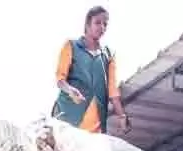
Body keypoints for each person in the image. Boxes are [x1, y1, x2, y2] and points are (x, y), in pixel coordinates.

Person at [53, 6, 128, 134]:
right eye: (97, 22)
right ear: (87, 24)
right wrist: (70, 90)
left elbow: (112, 91)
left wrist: (122, 116)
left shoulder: (108, 55)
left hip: (95, 125)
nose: (102, 27)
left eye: (105, 24)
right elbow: (60, 79)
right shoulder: (71, 46)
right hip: (68, 117)